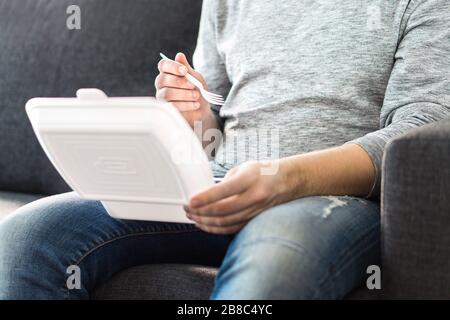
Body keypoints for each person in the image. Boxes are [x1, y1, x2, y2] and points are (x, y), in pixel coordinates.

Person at [0, 0, 449, 299]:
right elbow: (214, 125)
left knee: (269, 277)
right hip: (215, 182)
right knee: (26, 237)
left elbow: (421, 131)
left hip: (331, 197)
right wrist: (193, 113)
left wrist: (287, 179)